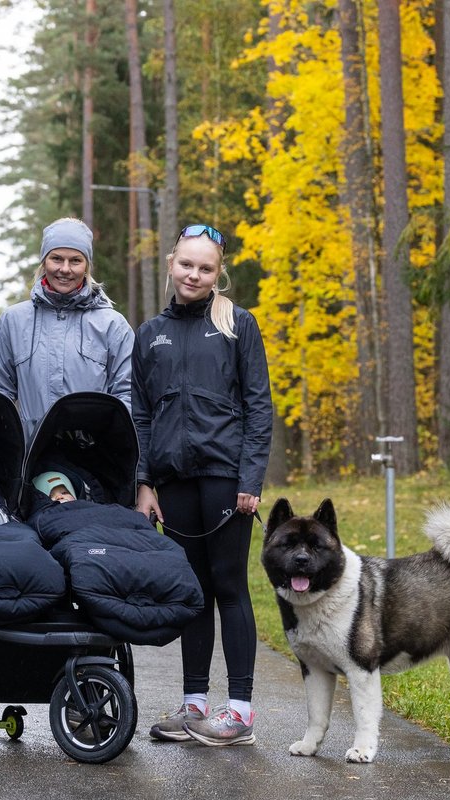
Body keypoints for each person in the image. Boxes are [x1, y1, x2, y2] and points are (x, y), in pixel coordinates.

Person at [131, 224, 272, 747]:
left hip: (226, 478)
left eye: (205, 267)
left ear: (218, 273)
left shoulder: (237, 324)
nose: (194, 274)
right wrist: (145, 483)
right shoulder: (149, 334)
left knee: (229, 586)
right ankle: (194, 707)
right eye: (186, 264)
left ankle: (239, 713)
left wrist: (250, 479)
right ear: (171, 264)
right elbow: (140, 414)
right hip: (173, 481)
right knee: (192, 593)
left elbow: (259, 406)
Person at [0, 217, 133, 438]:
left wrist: (104, 440)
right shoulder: (13, 321)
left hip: (95, 462)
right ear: (44, 261)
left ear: (87, 266)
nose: (65, 269)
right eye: (57, 259)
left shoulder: (113, 325)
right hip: (29, 460)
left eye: (75, 260)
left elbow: (126, 396)